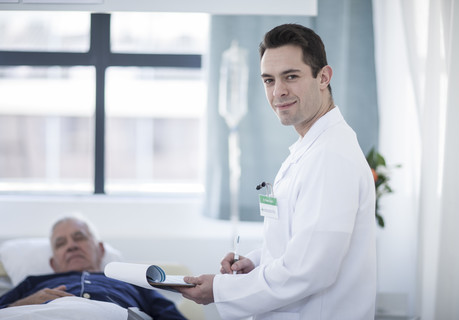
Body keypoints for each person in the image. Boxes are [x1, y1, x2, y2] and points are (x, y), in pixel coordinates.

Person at [177, 23, 377, 319]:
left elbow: (308, 270)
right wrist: (258, 261)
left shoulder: (331, 157)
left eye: (291, 77)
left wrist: (219, 290)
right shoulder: (310, 148)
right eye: (269, 80)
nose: (278, 92)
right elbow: (300, 242)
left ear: (323, 77)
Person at [0, 216, 186, 320]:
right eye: (61, 243)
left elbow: (171, 316)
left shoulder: (132, 282)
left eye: (79, 237)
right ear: (53, 263)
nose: (71, 246)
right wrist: (21, 304)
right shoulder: (33, 283)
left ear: (100, 249)